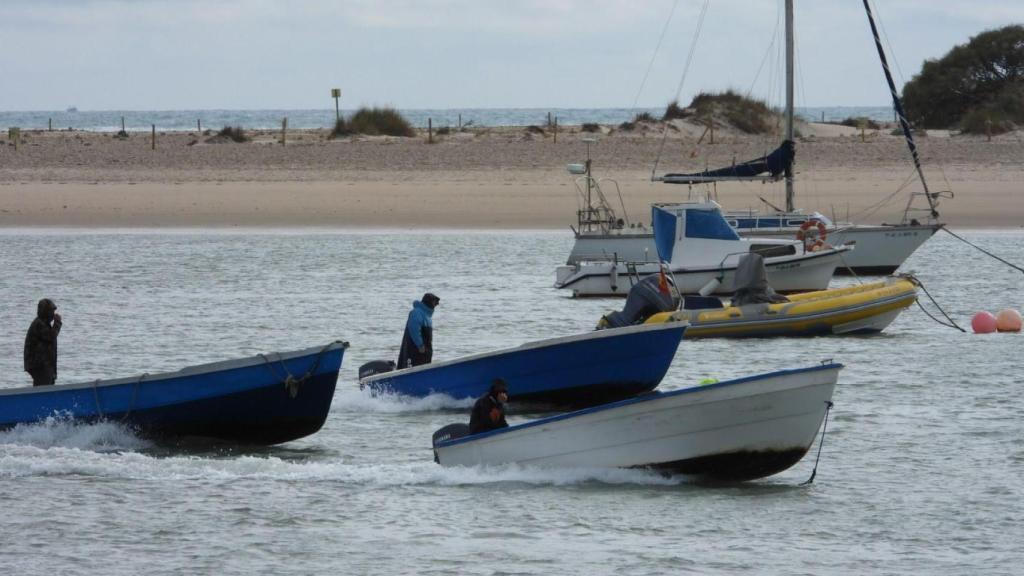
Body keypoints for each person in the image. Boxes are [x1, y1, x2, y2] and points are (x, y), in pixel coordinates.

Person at [24, 298, 62, 387]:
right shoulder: (39, 324)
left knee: (47, 387)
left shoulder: (43, 323)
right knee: (43, 387)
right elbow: (51, 337)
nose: (53, 314)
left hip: (44, 364)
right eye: (51, 311)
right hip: (40, 365)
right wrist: (57, 323)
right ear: (46, 312)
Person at [397, 292, 440, 369]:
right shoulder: (417, 312)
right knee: (410, 369)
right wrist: (420, 345)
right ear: (428, 302)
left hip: (424, 353)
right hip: (414, 351)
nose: (435, 305)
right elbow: (414, 328)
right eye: (434, 302)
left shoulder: (427, 316)